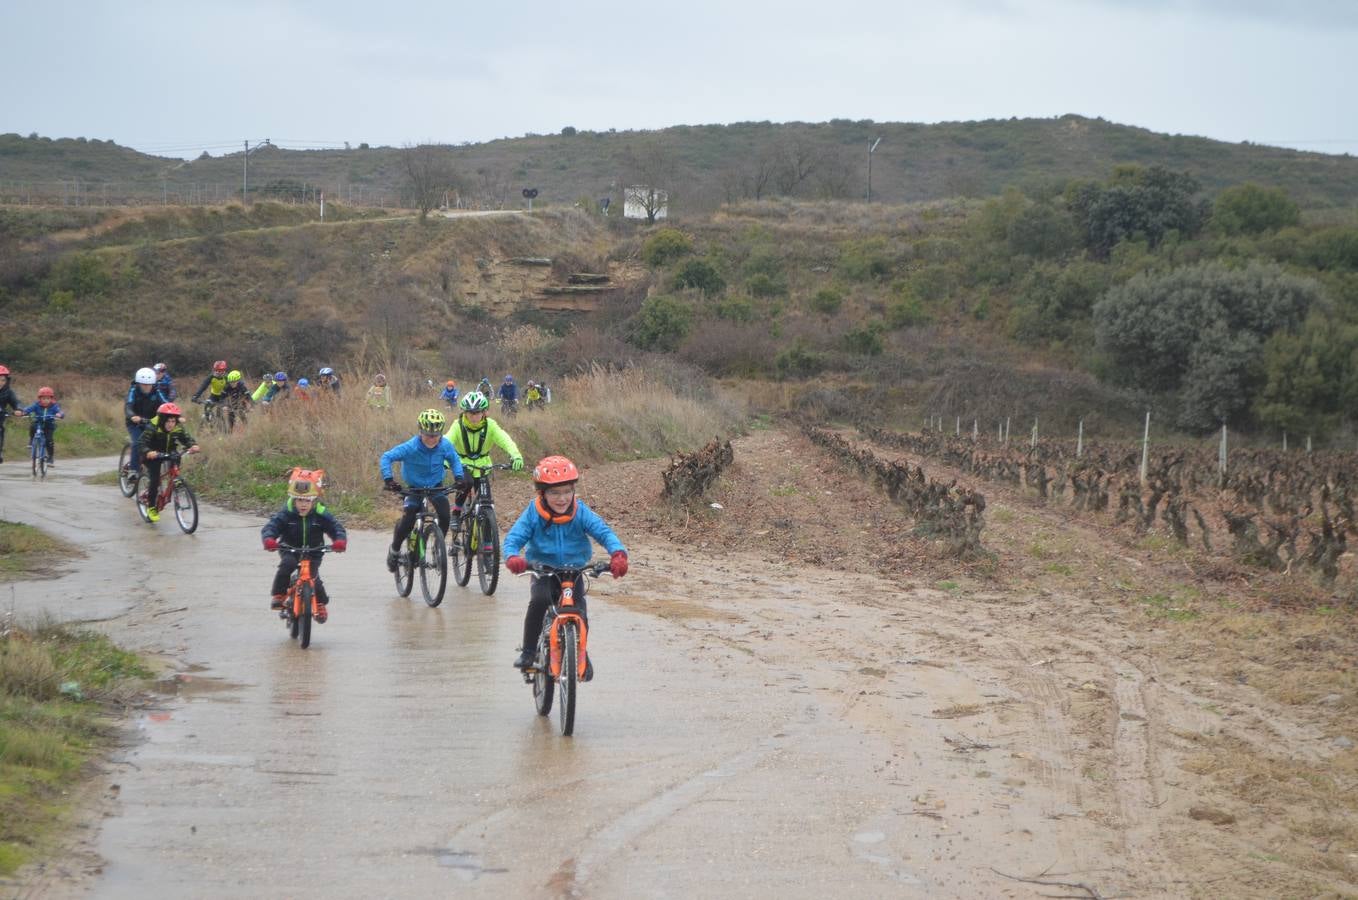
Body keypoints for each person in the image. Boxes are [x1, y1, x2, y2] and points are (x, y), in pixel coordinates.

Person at [503, 455, 628, 677]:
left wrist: (618, 554)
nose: (562, 499)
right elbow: (514, 537)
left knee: (580, 610)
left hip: (574, 570)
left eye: (567, 492)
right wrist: (513, 557)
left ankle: (580, 652)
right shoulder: (533, 512)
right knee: (539, 601)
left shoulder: (581, 512)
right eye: (554, 493)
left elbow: (603, 532)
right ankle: (529, 651)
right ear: (542, 493)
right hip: (543, 569)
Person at [379, 409, 467, 572]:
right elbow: (387, 457)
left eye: (436, 435)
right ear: (420, 431)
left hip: (435, 486)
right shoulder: (411, 446)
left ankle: (437, 547)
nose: (432, 439)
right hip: (414, 488)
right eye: (428, 435)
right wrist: (389, 479)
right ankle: (395, 550)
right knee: (409, 517)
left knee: (445, 515)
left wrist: (459, 477)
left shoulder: (445, 445)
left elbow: (455, 460)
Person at [260, 468, 347, 621]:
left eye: (308, 500)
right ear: (293, 500)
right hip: (289, 548)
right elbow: (272, 526)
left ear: (315, 500)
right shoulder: (287, 513)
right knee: (287, 565)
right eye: (299, 500)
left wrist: (339, 541)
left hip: (314, 550)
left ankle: (320, 604)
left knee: (314, 578)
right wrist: (269, 539)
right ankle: (279, 595)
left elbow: (335, 527)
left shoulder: (321, 514)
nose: (303, 504)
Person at [447, 391, 523, 515]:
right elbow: (447, 443)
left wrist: (516, 456)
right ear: (464, 412)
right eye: (470, 413)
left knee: (486, 499)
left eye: (477, 413)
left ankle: (486, 523)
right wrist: (442, 459)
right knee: (466, 483)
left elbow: (505, 440)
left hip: (483, 465)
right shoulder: (458, 425)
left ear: (483, 412)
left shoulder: (490, 425)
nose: (474, 417)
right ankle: (457, 510)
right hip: (462, 463)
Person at [137, 402, 200, 523]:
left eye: (173, 421)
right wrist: (148, 451)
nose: (171, 424)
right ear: (162, 420)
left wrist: (193, 445)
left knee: (176, 464)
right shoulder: (153, 427)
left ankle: (175, 483)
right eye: (168, 421)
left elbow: (186, 438)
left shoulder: (177, 427)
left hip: (169, 452)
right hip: (153, 455)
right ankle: (151, 507)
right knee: (155, 479)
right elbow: (141, 443)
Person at [125, 367, 170, 473]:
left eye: (149, 384)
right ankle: (133, 471)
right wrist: (132, 416)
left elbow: (166, 403)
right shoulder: (133, 391)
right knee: (137, 443)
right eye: (143, 384)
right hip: (135, 423)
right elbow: (128, 406)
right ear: (138, 383)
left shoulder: (157, 391)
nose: (146, 387)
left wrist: (176, 415)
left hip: (151, 422)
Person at [16, 387, 64, 465]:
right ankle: (31, 441)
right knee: (32, 426)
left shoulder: (54, 406)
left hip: (49, 424)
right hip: (38, 422)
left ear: (51, 399)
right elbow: (28, 409)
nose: (46, 400)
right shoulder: (36, 405)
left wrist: (60, 414)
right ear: (40, 399)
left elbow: (60, 412)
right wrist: (23, 412)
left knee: (49, 440)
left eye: (48, 399)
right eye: (43, 398)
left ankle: (50, 457)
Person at [0, 365, 22, 464]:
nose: (0, 383)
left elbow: (16, 402)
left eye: (3, 380)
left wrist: (18, 409)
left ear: (7, 381)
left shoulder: (8, 392)